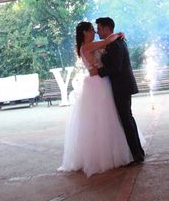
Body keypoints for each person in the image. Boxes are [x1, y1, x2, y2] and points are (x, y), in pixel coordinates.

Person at [59, 21, 136, 176]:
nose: (94, 32)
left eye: (96, 30)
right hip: (97, 83)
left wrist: (118, 35)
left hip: (101, 81)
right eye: (92, 30)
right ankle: (105, 156)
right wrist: (119, 34)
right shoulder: (86, 47)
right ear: (85, 33)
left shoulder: (91, 45)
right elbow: (108, 41)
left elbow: (107, 44)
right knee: (101, 119)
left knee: (111, 117)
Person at [97, 17, 145, 164]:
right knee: (128, 118)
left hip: (122, 86)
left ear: (106, 29)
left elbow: (115, 67)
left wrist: (99, 71)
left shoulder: (116, 44)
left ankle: (137, 155)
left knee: (126, 120)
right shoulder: (114, 42)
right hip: (123, 85)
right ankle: (138, 151)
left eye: (99, 28)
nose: (98, 31)